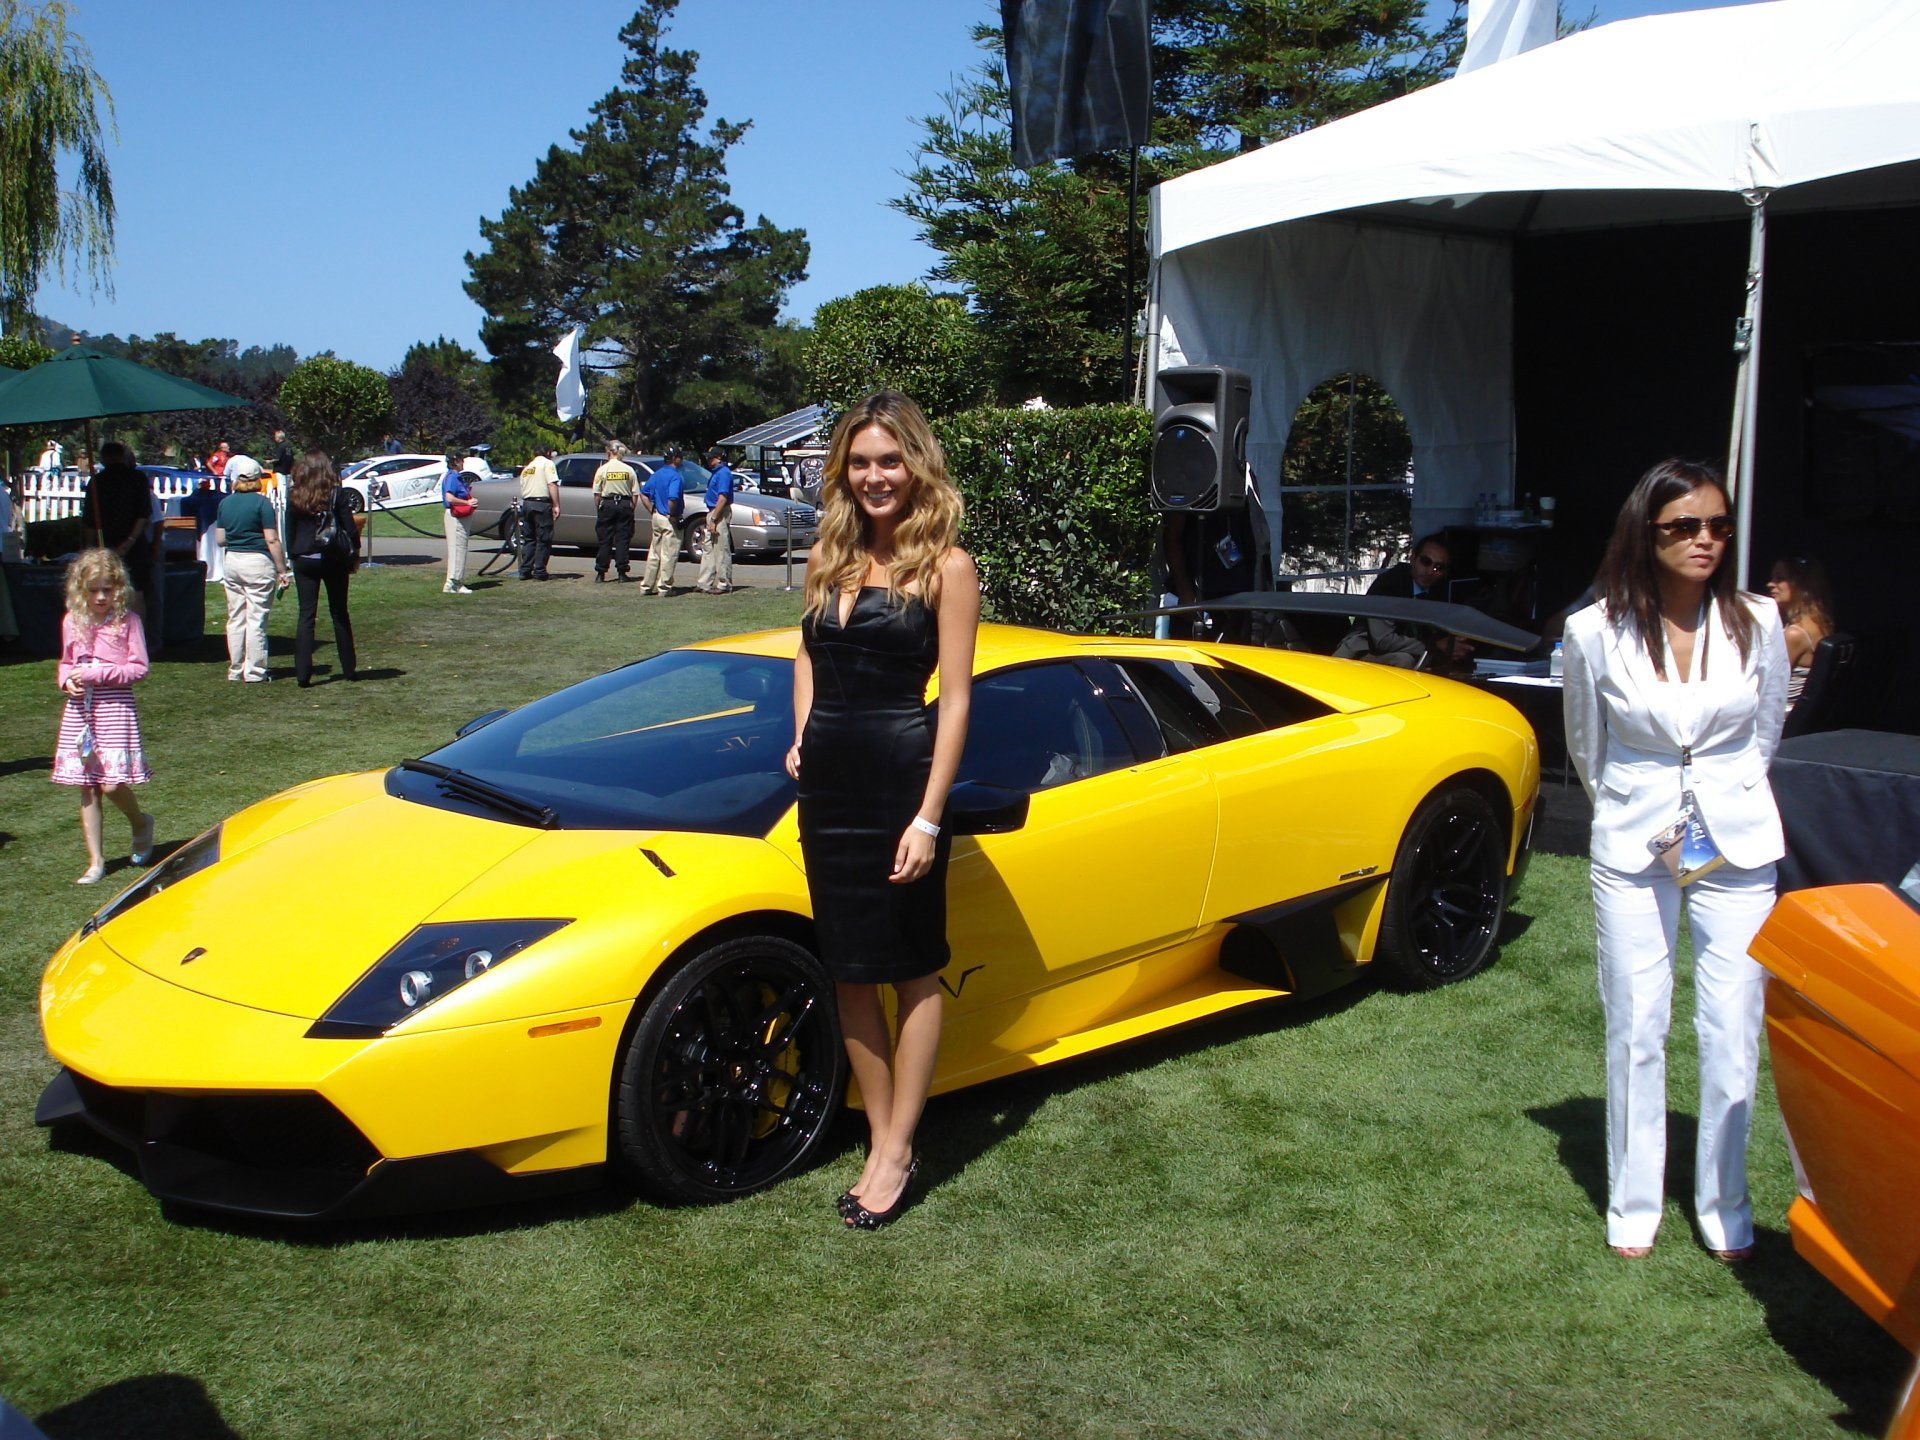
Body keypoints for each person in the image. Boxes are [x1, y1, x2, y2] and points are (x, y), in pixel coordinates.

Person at [1561, 458, 1788, 1262]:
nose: (1705, 541)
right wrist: (1638, 807)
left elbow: (1764, 734)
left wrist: (1720, 796)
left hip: (1737, 839)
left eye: (1718, 526)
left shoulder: (1758, 622)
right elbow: (1585, 745)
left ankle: (1726, 1200)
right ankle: (1634, 1201)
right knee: (1637, 1023)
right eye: (1684, 526)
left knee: (1732, 1024)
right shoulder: (1594, 630)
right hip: (1633, 840)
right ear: (1646, 533)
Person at [786, 391, 980, 1229]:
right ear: (844, 471)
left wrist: (930, 817)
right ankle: (876, 1133)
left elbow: (960, 700)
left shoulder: (948, 567)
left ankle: (900, 1148)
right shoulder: (826, 556)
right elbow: (804, 653)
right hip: (829, 788)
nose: (875, 476)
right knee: (850, 969)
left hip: (902, 782)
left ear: (917, 465)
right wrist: (801, 739)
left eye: (889, 461)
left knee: (912, 967)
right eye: (861, 462)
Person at [51, 549, 155, 885]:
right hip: (81, 712)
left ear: (118, 589)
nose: (100, 597)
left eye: (107, 590)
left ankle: (140, 822)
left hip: (115, 709)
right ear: (81, 590)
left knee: (111, 783)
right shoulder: (73, 621)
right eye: (94, 590)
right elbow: (66, 663)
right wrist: (67, 680)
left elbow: (138, 668)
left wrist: (99, 673)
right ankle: (96, 861)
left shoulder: (128, 622)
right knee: (87, 786)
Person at [1331, 532, 1470, 670]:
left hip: (1411, 652)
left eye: (1438, 567)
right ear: (1413, 558)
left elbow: (1441, 634)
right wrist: (1434, 646)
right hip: (1359, 654)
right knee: (1404, 660)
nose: (1430, 571)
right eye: (1426, 562)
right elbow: (1382, 640)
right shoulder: (1390, 584)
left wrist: (1453, 647)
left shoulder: (1439, 590)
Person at [284, 451, 360, 686]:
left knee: (306, 615)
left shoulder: (296, 494)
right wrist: (354, 553)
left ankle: (303, 673)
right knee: (339, 613)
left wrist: (293, 554)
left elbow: (290, 529)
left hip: (304, 557)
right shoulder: (336, 494)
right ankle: (348, 668)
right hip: (332, 557)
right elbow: (349, 528)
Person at [213, 456, 289, 682]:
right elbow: (272, 539)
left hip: (232, 561)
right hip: (257, 561)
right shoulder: (262, 503)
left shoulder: (225, 503)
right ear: (257, 479)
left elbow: (220, 539)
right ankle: (255, 671)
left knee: (236, 617)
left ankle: (236, 668)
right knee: (256, 618)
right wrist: (282, 569)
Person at [81, 442, 153, 618]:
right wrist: (130, 541)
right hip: (132, 544)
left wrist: (88, 548)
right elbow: (143, 515)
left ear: (104, 458)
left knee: (105, 592)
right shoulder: (138, 478)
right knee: (135, 592)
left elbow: (89, 521)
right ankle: (138, 637)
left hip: (107, 543)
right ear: (122, 456)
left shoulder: (97, 482)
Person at [1766, 555, 1836, 710]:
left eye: (1779, 579)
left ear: (1800, 585)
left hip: (1781, 719)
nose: (1770, 584)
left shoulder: (1794, 635)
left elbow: (1767, 685)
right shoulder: (1821, 623)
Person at [638, 448, 685, 595]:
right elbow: (673, 498)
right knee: (669, 553)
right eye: (680, 457)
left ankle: (646, 586)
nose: (681, 460)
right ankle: (664, 587)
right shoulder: (675, 476)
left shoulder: (656, 474)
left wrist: (652, 510)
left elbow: (643, 494)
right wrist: (672, 515)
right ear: (675, 458)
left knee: (654, 553)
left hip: (657, 516)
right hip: (668, 517)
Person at [591, 441, 639, 582]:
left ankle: (601, 573)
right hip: (624, 504)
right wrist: (631, 508)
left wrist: (599, 507)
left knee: (605, 540)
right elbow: (635, 494)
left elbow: (597, 493)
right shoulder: (629, 470)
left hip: (607, 504)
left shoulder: (602, 470)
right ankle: (622, 572)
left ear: (609, 452)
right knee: (622, 539)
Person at [516, 448, 560, 581]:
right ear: (547, 453)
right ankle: (540, 570)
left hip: (527, 503)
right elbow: (552, 484)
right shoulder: (547, 464)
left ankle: (525, 570)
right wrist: (556, 504)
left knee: (529, 538)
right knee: (544, 538)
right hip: (541, 504)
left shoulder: (527, 468)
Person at [698, 446, 735, 594]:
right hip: (712, 511)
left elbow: (722, 498)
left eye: (711, 457)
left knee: (721, 548)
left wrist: (714, 519)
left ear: (719, 458)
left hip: (719, 512)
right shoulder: (716, 473)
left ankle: (724, 583)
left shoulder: (724, 473)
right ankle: (704, 583)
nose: (708, 459)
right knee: (708, 548)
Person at [440, 451, 476, 594]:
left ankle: (452, 582)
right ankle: (455, 583)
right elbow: (449, 497)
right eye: (461, 460)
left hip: (459, 516)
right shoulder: (453, 477)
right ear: (455, 462)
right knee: (458, 549)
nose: (463, 463)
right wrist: (467, 502)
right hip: (455, 516)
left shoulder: (455, 477)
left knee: (458, 549)